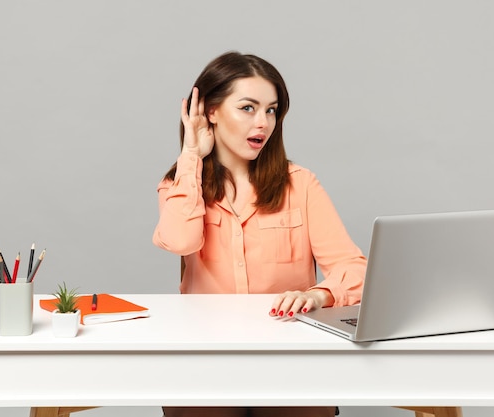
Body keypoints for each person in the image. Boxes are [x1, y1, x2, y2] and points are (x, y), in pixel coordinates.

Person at [153, 51, 367, 417]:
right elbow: (180, 240)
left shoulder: (300, 184)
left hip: (292, 354)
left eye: (271, 110)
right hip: (206, 355)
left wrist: (318, 294)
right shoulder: (180, 184)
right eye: (248, 108)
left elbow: (356, 269)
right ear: (211, 112)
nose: (263, 122)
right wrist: (192, 154)